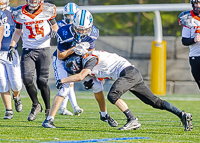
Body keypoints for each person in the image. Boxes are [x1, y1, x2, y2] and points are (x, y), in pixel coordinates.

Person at [50, 50, 193, 131]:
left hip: (127, 73)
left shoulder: (90, 58)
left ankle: (132, 119)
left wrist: (62, 80)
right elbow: (102, 75)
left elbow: (81, 76)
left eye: (75, 66)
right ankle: (182, 114)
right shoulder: (90, 58)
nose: (77, 68)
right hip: (131, 73)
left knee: (113, 96)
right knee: (155, 102)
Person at [42, 9, 118, 128]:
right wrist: (74, 49)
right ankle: (49, 120)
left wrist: (93, 70)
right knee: (65, 89)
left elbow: (91, 54)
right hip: (62, 61)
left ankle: (104, 114)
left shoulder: (93, 33)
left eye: (85, 29)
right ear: (73, 24)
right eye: (79, 28)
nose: (82, 31)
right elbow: (60, 55)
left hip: (80, 59)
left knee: (98, 85)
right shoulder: (63, 32)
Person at [9, 0, 59, 121]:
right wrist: (12, 45)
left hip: (44, 49)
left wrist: (54, 31)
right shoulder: (20, 13)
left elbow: (55, 26)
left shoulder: (47, 10)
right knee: (27, 80)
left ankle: (48, 110)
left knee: (42, 81)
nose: (33, 1)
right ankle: (36, 105)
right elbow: (17, 32)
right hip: (28, 50)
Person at [56, 2, 83, 116]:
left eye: (73, 15)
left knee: (70, 82)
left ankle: (64, 107)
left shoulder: (80, 25)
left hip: (74, 55)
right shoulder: (60, 25)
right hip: (63, 55)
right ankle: (73, 106)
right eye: (68, 15)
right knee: (68, 82)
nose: (70, 18)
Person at [0, 0, 23, 119]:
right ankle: (8, 110)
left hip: (10, 51)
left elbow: (20, 30)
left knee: (16, 84)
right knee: (2, 83)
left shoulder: (14, 13)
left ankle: (16, 97)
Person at [179, 1, 200, 96]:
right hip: (196, 57)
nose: (198, 6)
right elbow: (184, 41)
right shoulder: (188, 19)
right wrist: (194, 39)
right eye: (196, 3)